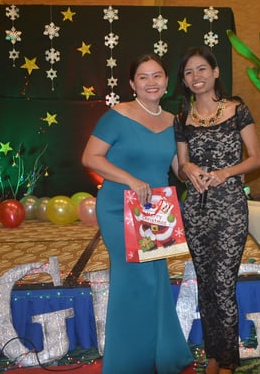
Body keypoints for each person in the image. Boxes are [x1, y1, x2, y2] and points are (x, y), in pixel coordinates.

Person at [82, 54, 195, 374]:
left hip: (155, 211)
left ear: (167, 81)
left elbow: (178, 168)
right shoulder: (117, 116)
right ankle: (129, 362)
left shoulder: (174, 121)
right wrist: (130, 180)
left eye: (157, 75)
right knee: (134, 281)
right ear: (132, 83)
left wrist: (195, 172)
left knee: (156, 280)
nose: (151, 82)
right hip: (119, 209)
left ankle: (163, 352)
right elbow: (90, 158)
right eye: (143, 77)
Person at [174, 46, 260, 374]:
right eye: (188, 72)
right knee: (206, 284)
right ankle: (215, 355)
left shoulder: (237, 109)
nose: (196, 76)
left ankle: (227, 361)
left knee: (224, 284)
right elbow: (181, 168)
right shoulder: (181, 118)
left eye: (201, 69)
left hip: (230, 208)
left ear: (215, 72)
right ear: (184, 80)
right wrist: (188, 168)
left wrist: (226, 172)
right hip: (195, 210)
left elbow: (256, 159)